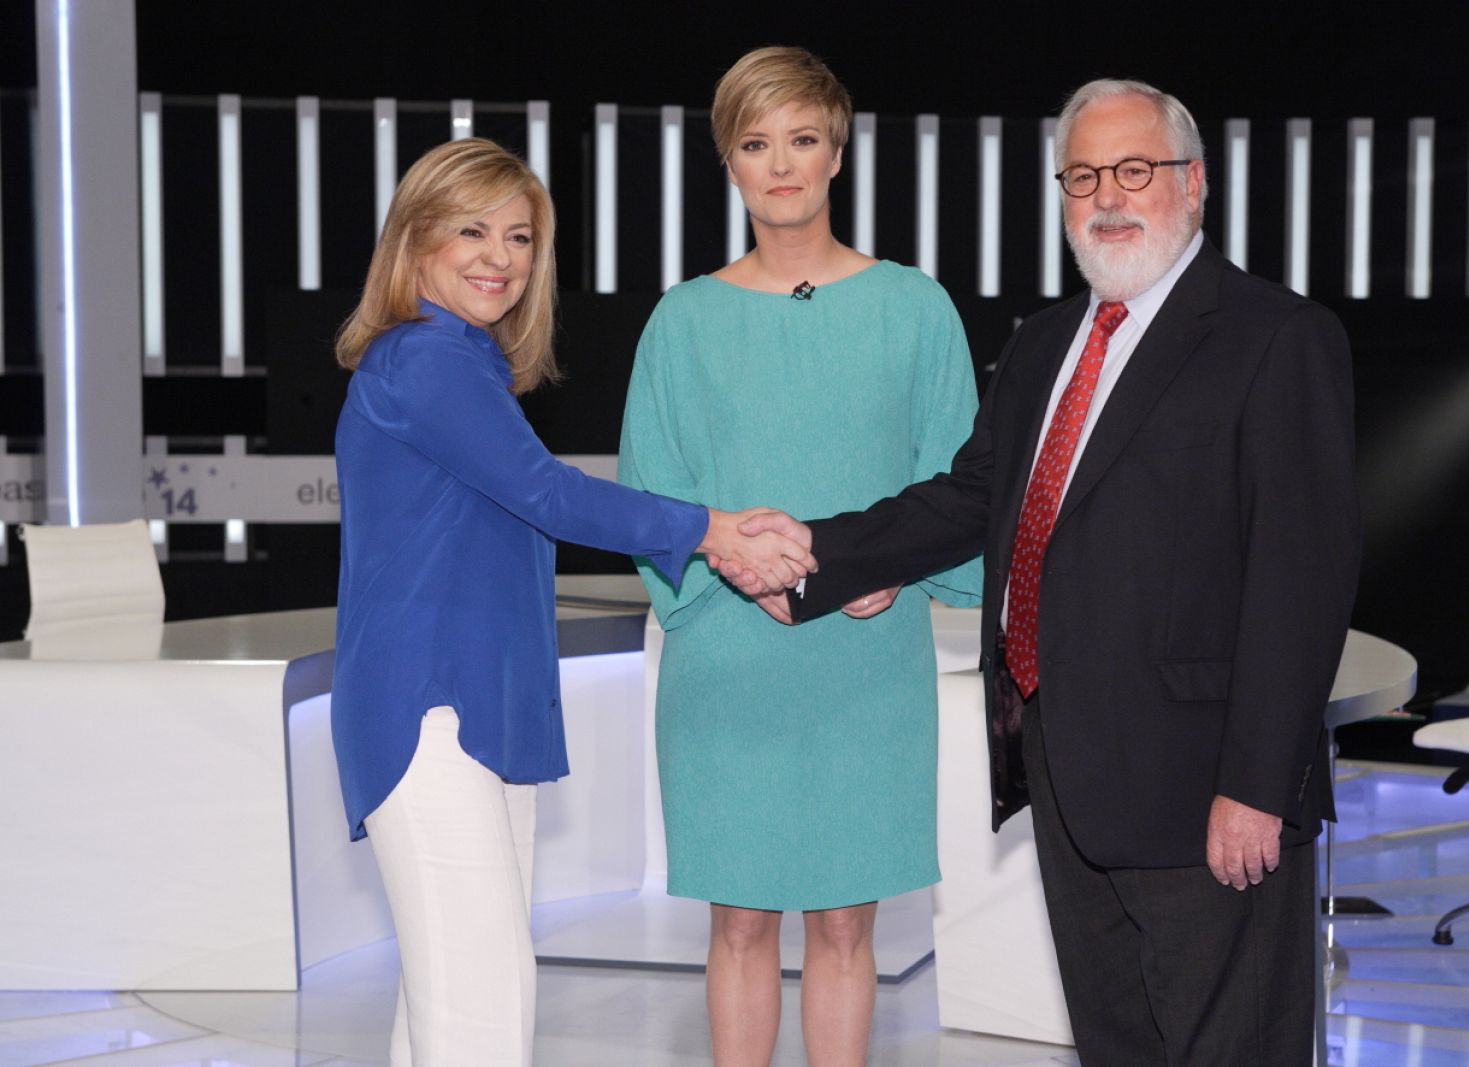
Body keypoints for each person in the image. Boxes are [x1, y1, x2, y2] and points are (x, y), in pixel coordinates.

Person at [744, 78, 1361, 1066]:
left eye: (1133, 170)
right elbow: (967, 499)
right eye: (1082, 175)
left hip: (1205, 794)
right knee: (1116, 1045)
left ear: (1193, 184)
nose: (1106, 196)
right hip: (1067, 775)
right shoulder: (1042, 345)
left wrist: (1255, 783)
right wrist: (810, 556)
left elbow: (1303, 579)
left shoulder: (1274, 337)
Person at [330, 137, 813, 1067]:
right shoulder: (426, 361)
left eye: (519, 237)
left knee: (454, 1001)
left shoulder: (454, 362)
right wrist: (709, 527)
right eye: (472, 230)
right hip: (432, 712)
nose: (500, 258)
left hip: (465, 713)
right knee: (479, 1009)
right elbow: (548, 493)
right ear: (415, 240)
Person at [616, 47, 981, 1067]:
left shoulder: (915, 308)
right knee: (734, 922)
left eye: (802, 139)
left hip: (866, 661)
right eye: (756, 142)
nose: (781, 164)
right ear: (728, 161)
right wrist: (736, 566)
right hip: (728, 658)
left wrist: (894, 566)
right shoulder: (681, 321)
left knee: (844, 924)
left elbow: (958, 484)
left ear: (837, 149)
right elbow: (654, 490)